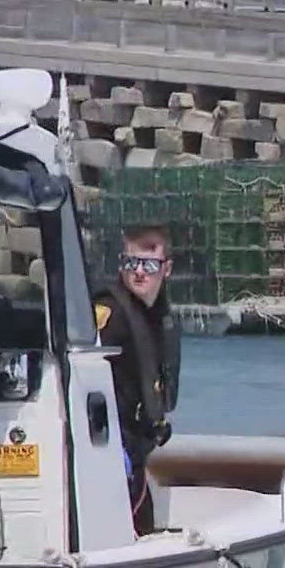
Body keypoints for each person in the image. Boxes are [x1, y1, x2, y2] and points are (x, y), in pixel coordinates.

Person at [94, 224, 182, 536]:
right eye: (131, 263)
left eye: (148, 265)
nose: (139, 273)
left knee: (144, 525)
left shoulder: (157, 316)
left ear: (166, 269)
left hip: (136, 445)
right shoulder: (111, 314)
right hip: (110, 447)